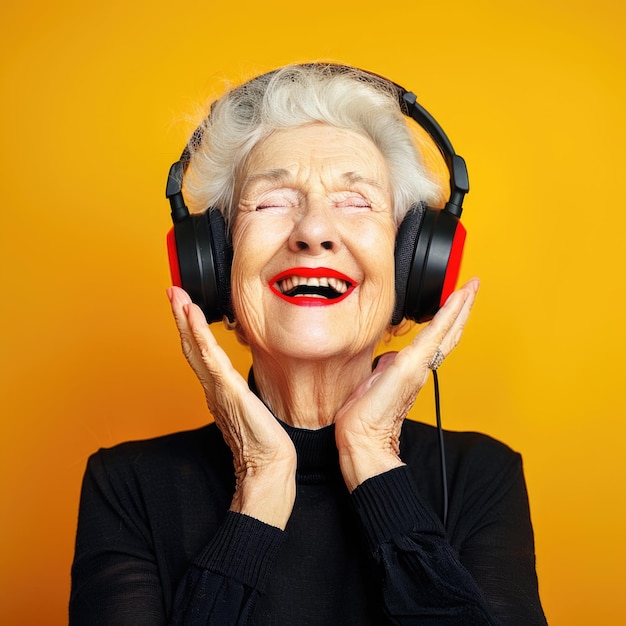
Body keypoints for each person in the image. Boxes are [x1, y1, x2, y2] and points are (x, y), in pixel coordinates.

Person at [70, 63, 547, 625]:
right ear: (214, 268)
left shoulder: (481, 477)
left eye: (355, 202)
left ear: (411, 266)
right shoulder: (127, 487)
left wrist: (372, 455)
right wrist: (260, 481)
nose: (312, 231)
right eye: (272, 201)